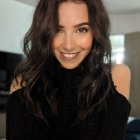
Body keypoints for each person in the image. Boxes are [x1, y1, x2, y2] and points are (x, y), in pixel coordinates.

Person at [6, 0, 131, 140]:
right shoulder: (24, 84)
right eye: (58, 30)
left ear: (95, 32)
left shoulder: (116, 76)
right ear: (44, 32)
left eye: (81, 29)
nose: (69, 45)